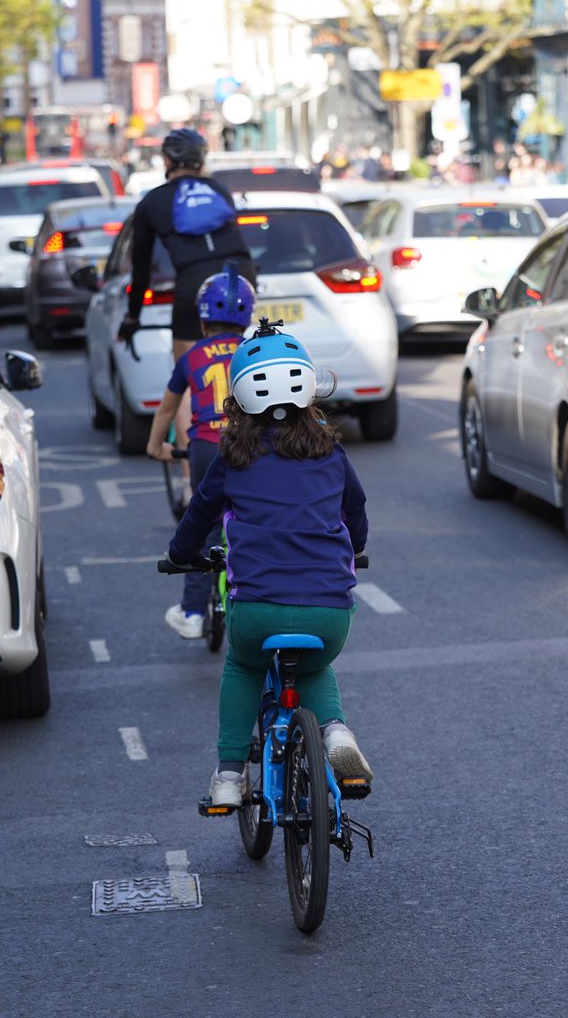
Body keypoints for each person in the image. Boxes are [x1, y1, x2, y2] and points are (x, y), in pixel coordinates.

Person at [164, 318, 372, 807]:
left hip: (257, 610)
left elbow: (199, 516)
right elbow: (356, 511)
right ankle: (336, 732)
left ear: (238, 401)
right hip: (329, 611)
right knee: (316, 666)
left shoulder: (232, 458)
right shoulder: (331, 453)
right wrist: (356, 547)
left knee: (242, 665)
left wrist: (180, 555)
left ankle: (230, 777)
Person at [147, 264, 256, 639]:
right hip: (249, 443)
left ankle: (193, 613)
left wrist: (156, 445)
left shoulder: (192, 357)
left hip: (207, 447)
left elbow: (167, 408)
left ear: (203, 318)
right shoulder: (252, 351)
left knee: (204, 526)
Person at [118, 128, 256, 362]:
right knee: (234, 361)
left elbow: (141, 270)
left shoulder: (151, 201)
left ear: (167, 160)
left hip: (194, 281)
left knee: (188, 373)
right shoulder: (219, 190)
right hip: (239, 276)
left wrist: (133, 317)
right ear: (201, 160)